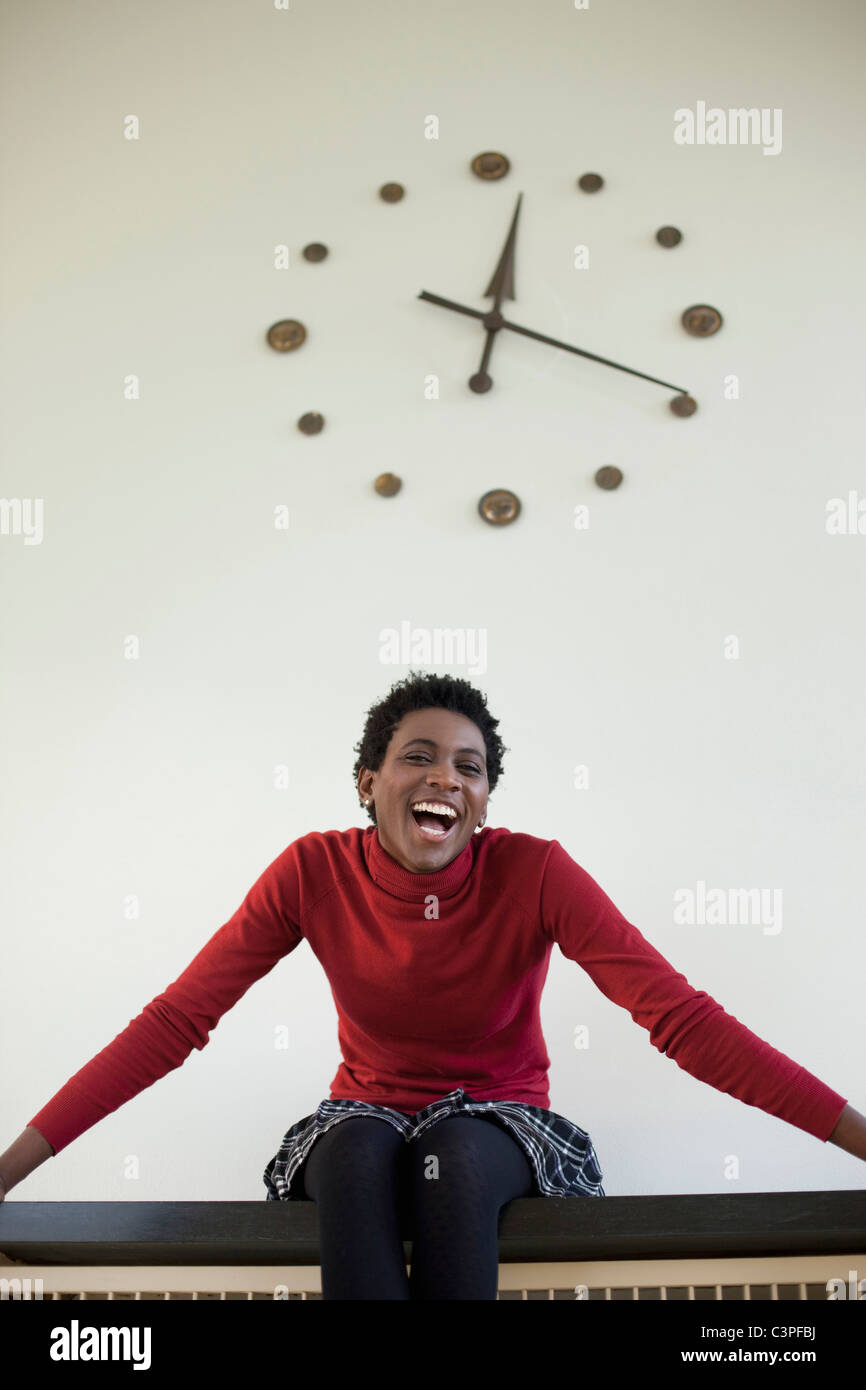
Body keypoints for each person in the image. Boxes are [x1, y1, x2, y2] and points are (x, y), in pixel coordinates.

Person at [1, 672, 864, 1300]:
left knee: (447, 1153)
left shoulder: (536, 872)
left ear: (483, 801)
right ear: (369, 783)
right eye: (419, 757)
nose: (446, 776)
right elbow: (175, 1021)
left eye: (471, 766)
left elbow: (683, 1021)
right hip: (361, 1124)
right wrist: (8, 1172)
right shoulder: (311, 871)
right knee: (362, 1150)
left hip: (498, 1122)